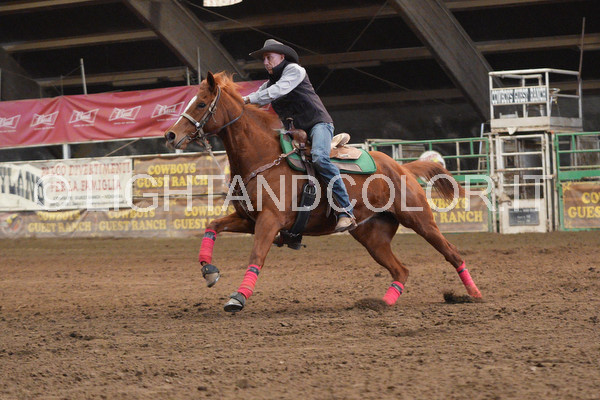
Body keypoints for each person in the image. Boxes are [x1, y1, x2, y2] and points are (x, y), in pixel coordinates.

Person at [243, 39, 357, 232]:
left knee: (319, 158)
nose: (266, 62)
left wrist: (244, 99)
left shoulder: (294, 71)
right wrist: (237, 104)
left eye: (269, 57)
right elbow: (258, 99)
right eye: (263, 59)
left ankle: (346, 211)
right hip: (295, 132)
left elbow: (274, 92)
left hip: (318, 124)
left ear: (282, 57)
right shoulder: (269, 83)